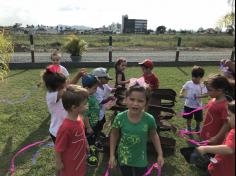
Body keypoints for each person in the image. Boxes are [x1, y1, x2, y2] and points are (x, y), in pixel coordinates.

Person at [109, 84, 164, 176]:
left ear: (146, 103)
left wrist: (160, 154)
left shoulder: (149, 119)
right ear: (126, 99)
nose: (135, 103)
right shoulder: (119, 117)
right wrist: (112, 155)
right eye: (132, 99)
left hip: (141, 158)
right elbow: (114, 135)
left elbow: (154, 135)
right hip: (124, 157)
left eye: (140, 101)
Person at [55, 84, 89, 176]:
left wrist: (86, 143)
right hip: (69, 163)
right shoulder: (66, 128)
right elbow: (58, 148)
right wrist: (58, 162)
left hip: (79, 158)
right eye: (85, 104)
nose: (87, 106)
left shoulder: (79, 118)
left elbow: (82, 134)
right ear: (74, 107)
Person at [197, 100, 235, 176]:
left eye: (230, 115)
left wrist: (205, 149)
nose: (227, 118)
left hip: (220, 171)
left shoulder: (234, 132)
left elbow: (229, 149)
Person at [200, 74, 233, 145]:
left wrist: (216, 137)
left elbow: (226, 124)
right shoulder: (213, 99)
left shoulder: (224, 105)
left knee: (211, 154)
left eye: (210, 90)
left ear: (220, 90)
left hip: (214, 138)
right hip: (207, 132)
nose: (208, 92)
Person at [42, 65, 67, 143]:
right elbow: (66, 89)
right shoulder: (52, 95)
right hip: (57, 131)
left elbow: (67, 87)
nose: (65, 84)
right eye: (64, 83)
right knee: (61, 154)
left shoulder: (58, 91)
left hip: (64, 128)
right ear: (58, 86)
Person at [179, 65, 208, 132]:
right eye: (192, 76)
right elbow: (183, 88)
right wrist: (181, 93)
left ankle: (197, 127)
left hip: (197, 106)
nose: (193, 78)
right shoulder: (188, 83)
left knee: (198, 119)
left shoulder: (202, 85)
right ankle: (188, 128)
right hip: (188, 105)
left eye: (195, 77)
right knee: (188, 118)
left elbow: (206, 95)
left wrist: (199, 96)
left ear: (200, 77)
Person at [81, 74, 100, 166]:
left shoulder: (90, 95)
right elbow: (85, 115)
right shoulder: (85, 99)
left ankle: (92, 149)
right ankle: (90, 157)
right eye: (94, 88)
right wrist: (88, 127)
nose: (96, 90)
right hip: (89, 126)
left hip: (94, 123)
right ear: (86, 88)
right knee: (89, 141)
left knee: (93, 139)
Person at [91, 67, 116, 138]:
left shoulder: (104, 85)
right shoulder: (96, 90)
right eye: (106, 78)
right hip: (96, 112)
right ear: (98, 79)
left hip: (102, 110)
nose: (108, 80)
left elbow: (110, 90)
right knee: (97, 125)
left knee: (102, 121)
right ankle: (96, 137)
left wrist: (117, 88)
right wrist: (109, 98)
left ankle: (99, 133)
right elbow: (101, 101)